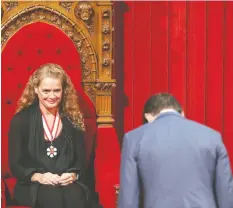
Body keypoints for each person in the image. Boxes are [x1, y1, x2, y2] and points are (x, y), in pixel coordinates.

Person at [119, 93, 233, 208]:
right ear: (182, 113)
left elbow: (129, 197)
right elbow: (225, 192)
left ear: (147, 116)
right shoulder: (212, 136)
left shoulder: (134, 138)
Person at [9, 63, 89, 208]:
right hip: (32, 183)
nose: (52, 96)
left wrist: (72, 175)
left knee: (75, 196)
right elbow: (15, 164)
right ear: (36, 90)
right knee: (53, 197)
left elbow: (81, 159)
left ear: (64, 91)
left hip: (65, 181)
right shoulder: (21, 120)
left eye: (56, 90)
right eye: (46, 91)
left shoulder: (72, 119)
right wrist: (38, 176)